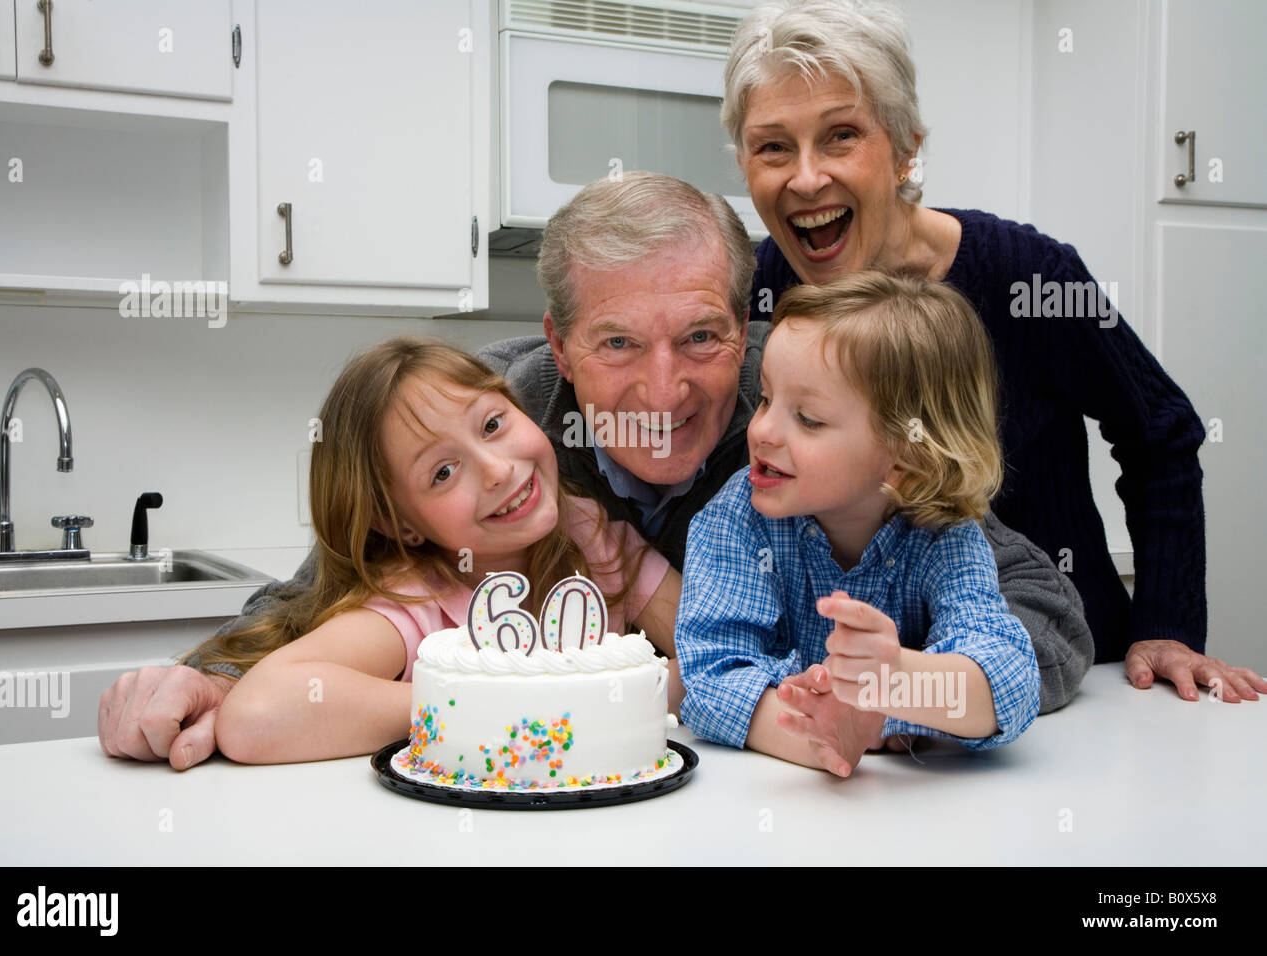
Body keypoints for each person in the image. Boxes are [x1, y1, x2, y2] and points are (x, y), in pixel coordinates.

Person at [99, 173, 1091, 771]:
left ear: (743, 324)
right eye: (618, 342)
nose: (664, 388)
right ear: (560, 347)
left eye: (701, 334)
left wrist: (904, 705)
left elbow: (1038, 606)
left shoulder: (794, 402)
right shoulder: (502, 418)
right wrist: (200, 679)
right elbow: (335, 584)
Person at [724, 0, 1265, 702]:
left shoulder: (1028, 277)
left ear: (905, 147)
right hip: (862, 697)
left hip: (1057, 677)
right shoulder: (763, 287)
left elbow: (1160, 432)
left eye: (840, 136)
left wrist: (1166, 625)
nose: (804, 177)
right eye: (773, 147)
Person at [193, 338, 680, 763]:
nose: (496, 469)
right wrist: (505, 705)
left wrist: (624, 692)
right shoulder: (416, 603)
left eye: (492, 424)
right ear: (401, 525)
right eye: (442, 473)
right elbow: (254, 717)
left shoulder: (590, 537)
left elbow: (718, 645)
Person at [679, 272, 1041, 776]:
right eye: (765, 399)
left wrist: (895, 683)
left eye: (808, 418)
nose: (760, 430)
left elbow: (1011, 679)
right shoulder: (736, 519)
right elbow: (711, 677)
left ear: (906, 457)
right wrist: (822, 736)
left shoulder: (944, 535)